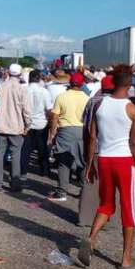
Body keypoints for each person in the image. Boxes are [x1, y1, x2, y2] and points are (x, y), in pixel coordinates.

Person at [80, 66, 135, 269]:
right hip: (124, 161)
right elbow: (134, 143)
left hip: (104, 159)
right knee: (129, 210)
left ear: (113, 82)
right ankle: (125, 258)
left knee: (106, 205)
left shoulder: (100, 106)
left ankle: (91, 237)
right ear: (130, 84)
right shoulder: (133, 109)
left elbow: (92, 139)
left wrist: (89, 165)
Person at [78, 75, 116, 227]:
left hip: (95, 148)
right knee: (111, 186)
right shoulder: (120, 103)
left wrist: (87, 149)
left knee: (91, 183)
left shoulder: (92, 101)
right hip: (113, 149)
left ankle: (86, 219)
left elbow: (86, 127)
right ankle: (109, 219)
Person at [47, 72, 89, 201]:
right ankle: (84, 191)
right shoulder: (87, 98)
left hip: (65, 131)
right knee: (82, 162)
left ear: (70, 83)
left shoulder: (62, 97)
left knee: (64, 162)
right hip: (82, 131)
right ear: (82, 84)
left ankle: (62, 192)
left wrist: (52, 133)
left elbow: (54, 117)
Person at [0, 64, 32, 192]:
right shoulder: (22, 89)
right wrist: (28, 125)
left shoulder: (0, 87)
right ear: (20, 74)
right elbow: (26, 110)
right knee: (16, 155)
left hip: (0, 125)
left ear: (8, 73)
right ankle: (15, 183)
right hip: (16, 126)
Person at [23, 70, 53, 178]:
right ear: (39, 78)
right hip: (41, 124)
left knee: (25, 150)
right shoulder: (44, 92)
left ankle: (23, 171)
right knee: (42, 149)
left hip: (27, 124)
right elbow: (49, 109)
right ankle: (44, 171)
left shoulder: (24, 90)